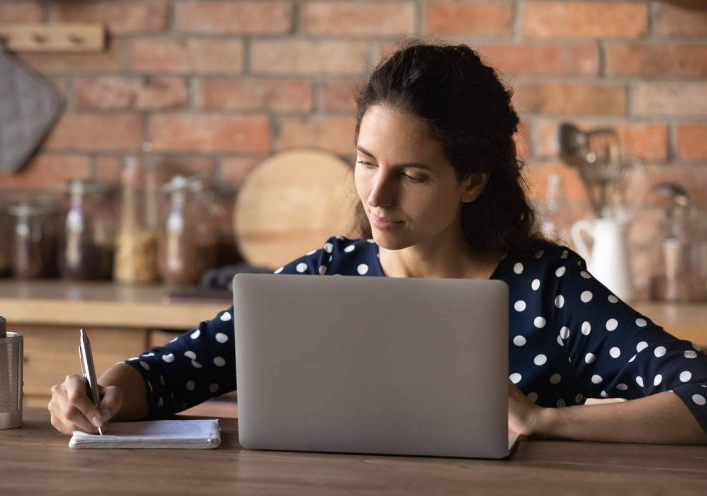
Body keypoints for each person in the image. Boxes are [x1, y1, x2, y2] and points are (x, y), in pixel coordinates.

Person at [49, 42, 707, 444]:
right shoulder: (327, 276)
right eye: (366, 163)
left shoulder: (548, 289)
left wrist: (541, 421)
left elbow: (699, 393)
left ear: (472, 181)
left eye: (412, 176)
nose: (377, 196)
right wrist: (100, 392)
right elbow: (172, 372)